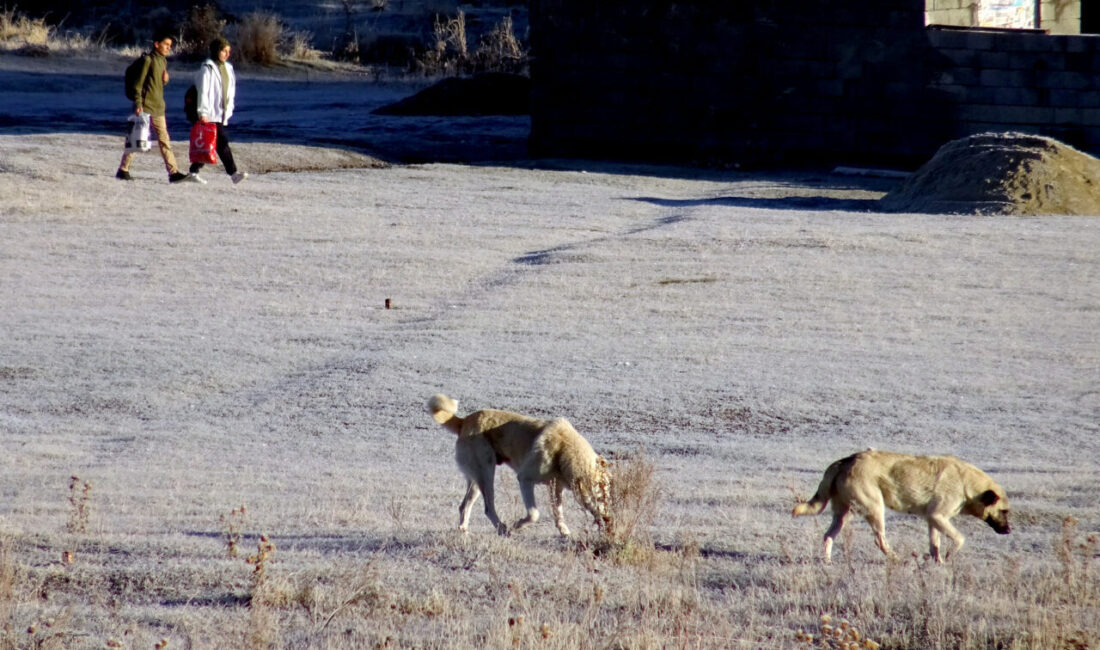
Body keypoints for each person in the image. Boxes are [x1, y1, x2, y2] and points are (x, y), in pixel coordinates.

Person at [116, 30, 196, 183]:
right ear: (156, 44)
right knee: (136, 139)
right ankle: (123, 169)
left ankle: (173, 173)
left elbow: (155, 84)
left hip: (159, 107)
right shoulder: (148, 60)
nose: (168, 48)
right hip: (144, 106)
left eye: (170, 45)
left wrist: (165, 80)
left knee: (164, 140)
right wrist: (138, 104)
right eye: (165, 45)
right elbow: (138, 85)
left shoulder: (163, 61)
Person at [189, 37, 247, 185]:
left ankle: (193, 171)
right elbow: (203, 91)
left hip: (221, 112)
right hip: (210, 113)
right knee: (221, 142)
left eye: (229, 51)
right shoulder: (207, 68)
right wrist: (203, 112)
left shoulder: (228, 68)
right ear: (216, 51)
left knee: (213, 144)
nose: (227, 54)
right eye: (224, 51)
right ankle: (233, 174)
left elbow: (230, 90)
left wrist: (230, 108)